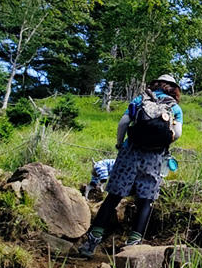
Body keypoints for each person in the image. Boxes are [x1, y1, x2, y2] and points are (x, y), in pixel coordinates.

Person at [78, 74, 183, 257]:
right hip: (154, 157)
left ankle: (90, 244)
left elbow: (124, 123)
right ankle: (132, 247)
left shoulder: (140, 99)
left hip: (130, 152)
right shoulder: (174, 107)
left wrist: (120, 144)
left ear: (156, 84)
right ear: (174, 88)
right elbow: (178, 134)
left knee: (113, 197)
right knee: (146, 200)